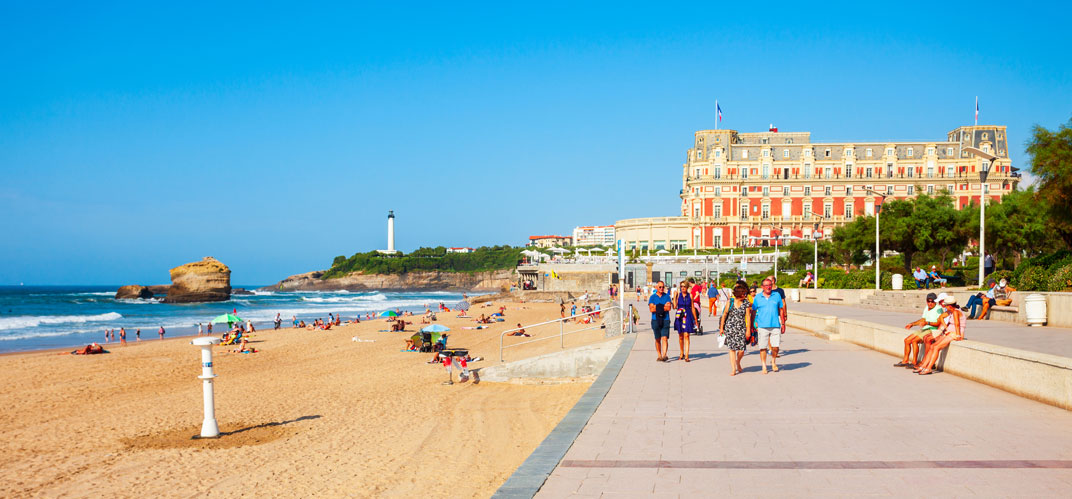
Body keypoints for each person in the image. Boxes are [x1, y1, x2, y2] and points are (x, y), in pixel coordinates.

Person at [916, 296, 965, 375]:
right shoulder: (951, 311)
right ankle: (924, 366)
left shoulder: (956, 312)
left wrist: (958, 335)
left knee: (936, 347)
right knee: (932, 346)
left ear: (949, 306)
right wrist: (945, 327)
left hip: (955, 333)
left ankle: (929, 368)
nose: (944, 307)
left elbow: (957, 324)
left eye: (945, 305)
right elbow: (941, 317)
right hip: (949, 333)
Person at [897, 292, 942, 368]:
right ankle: (905, 361)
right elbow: (923, 319)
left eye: (932, 301)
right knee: (907, 340)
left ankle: (914, 362)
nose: (930, 303)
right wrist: (912, 324)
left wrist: (927, 323)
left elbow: (938, 323)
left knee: (914, 341)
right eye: (928, 301)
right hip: (924, 328)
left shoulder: (938, 309)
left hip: (931, 329)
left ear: (935, 301)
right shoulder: (926, 308)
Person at [752, 277, 787, 374]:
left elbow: (781, 310)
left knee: (776, 347)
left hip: (775, 325)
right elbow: (753, 311)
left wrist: (783, 323)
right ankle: (764, 365)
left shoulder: (777, 295)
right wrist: (752, 324)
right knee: (763, 347)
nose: (768, 287)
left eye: (770, 285)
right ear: (762, 287)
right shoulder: (758, 297)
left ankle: (773, 362)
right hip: (762, 326)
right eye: (766, 285)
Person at [719, 281, 752, 376]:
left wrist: (748, 330)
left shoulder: (745, 303)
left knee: (741, 349)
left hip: (741, 328)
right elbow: (724, 315)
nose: (745, 295)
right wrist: (721, 328)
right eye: (744, 293)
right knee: (732, 349)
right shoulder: (730, 302)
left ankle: (738, 361)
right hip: (730, 328)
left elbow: (748, 317)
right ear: (739, 294)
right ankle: (733, 368)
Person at [671, 281, 696, 362]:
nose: (682, 288)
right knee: (680, 336)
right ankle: (682, 353)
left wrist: (695, 319)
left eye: (684, 286)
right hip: (680, 316)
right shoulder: (678, 295)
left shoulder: (690, 295)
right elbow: (674, 307)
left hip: (688, 315)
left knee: (687, 335)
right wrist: (674, 297)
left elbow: (692, 307)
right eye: (681, 286)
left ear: (687, 287)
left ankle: (687, 355)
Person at [648, 281, 673, 362]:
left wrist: (657, 306)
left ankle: (664, 355)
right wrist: (663, 306)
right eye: (660, 287)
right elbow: (651, 309)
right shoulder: (652, 297)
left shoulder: (667, 296)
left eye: (663, 287)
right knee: (657, 339)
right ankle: (659, 355)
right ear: (656, 287)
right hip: (655, 320)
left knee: (664, 338)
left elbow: (669, 308)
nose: (662, 288)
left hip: (665, 319)